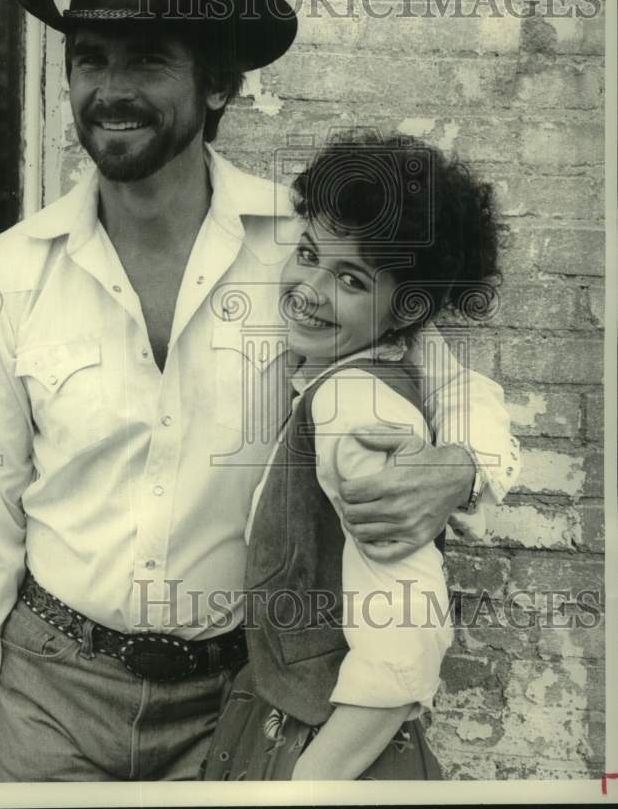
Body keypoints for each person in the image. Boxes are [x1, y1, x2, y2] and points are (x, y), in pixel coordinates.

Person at [0, 0, 521, 783]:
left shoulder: (299, 251)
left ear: (217, 84)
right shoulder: (12, 270)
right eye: (89, 60)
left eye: (148, 60)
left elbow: (454, 385)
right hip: (50, 699)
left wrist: (460, 466)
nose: (110, 89)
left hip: (238, 704)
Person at [203, 138, 501, 780]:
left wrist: (307, 784)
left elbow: (405, 641)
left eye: (350, 279)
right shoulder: (349, 373)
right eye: (309, 254)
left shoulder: (354, 404)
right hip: (296, 717)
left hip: (331, 751)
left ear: (408, 311)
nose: (309, 289)